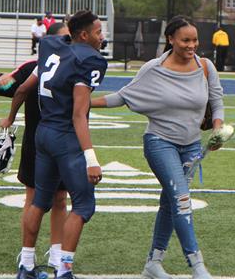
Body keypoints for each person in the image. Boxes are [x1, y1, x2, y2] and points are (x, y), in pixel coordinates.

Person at [91, 15, 224, 279]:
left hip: (192, 147)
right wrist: (83, 103)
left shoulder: (206, 66)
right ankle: (197, 266)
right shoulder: (154, 68)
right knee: (182, 200)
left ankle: (153, 263)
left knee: (170, 202)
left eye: (195, 40)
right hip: (160, 142)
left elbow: (217, 102)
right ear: (171, 39)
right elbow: (123, 96)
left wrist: (218, 129)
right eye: (185, 40)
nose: (191, 45)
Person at [1, 10, 107, 279]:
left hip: (43, 133)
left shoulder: (51, 46)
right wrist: (91, 159)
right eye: (98, 32)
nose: (102, 37)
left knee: (39, 201)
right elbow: (79, 114)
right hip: (65, 137)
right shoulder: (90, 60)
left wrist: (10, 118)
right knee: (83, 206)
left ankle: (26, 265)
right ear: (84, 35)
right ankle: (64, 270)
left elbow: (22, 89)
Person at [0, 22, 70, 273]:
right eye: (64, 38)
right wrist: (1, 81)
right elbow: (3, 85)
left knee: (60, 199)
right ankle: (27, 254)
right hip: (36, 143)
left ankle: (56, 253)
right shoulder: (32, 67)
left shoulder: (76, 66)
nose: (69, 43)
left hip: (65, 142)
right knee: (33, 198)